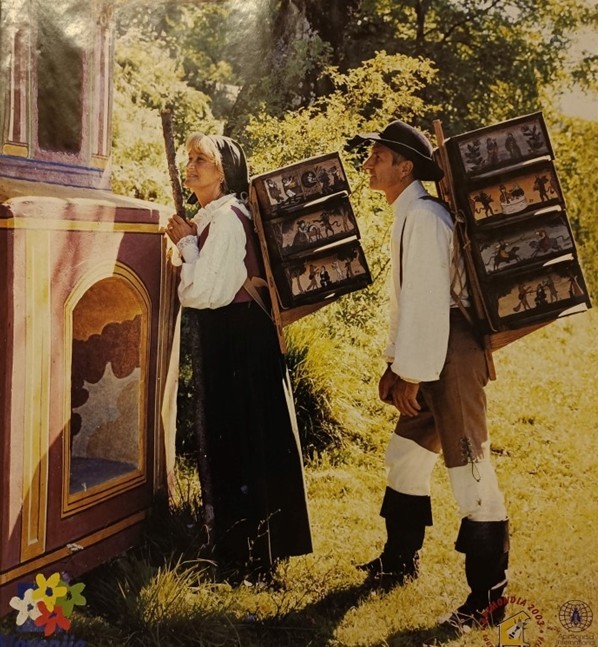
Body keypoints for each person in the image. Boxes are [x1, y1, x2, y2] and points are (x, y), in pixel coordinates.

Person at [347, 120, 510, 631]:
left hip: (450, 353)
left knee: (470, 468)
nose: (368, 164)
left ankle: (489, 598)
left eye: (377, 157)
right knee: (406, 457)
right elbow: (408, 301)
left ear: (405, 168)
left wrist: (411, 374)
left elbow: (429, 303)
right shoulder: (410, 213)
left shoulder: (424, 217)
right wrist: (395, 364)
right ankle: (400, 560)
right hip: (428, 349)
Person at [165, 133, 312, 582]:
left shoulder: (228, 219)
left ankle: (250, 557)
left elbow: (200, 293)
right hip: (237, 339)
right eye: (189, 158)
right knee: (244, 441)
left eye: (202, 160)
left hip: (240, 342)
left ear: (224, 172)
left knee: (245, 442)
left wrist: (188, 246)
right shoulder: (216, 215)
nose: (191, 166)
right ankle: (245, 550)